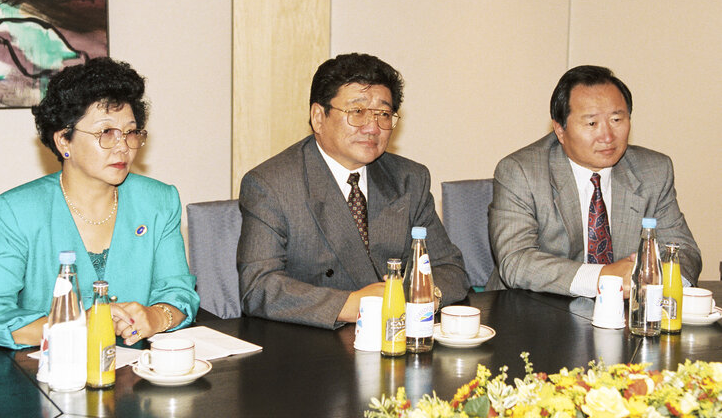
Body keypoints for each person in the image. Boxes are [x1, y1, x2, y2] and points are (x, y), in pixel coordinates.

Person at [0, 57, 199, 349]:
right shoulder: (18, 211)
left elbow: (178, 292)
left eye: (130, 132)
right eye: (106, 133)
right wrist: (74, 325)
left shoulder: (159, 202)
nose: (123, 146)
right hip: (50, 379)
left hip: (137, 376)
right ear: (64, 141)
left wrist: (157, 316)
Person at [237, 53, 469, 329]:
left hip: (397, 336)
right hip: (312, 343)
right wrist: (351, 304)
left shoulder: (409, 179)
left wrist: (426, 294)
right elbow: (259, 287)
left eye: (383, 114)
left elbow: (450, 269)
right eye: (357, 112)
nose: (372, 127)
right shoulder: (272, 184)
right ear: (318, 117)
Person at [486, 65, 701, 298]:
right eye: (591, 124)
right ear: (560, 129)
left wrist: (654, 277)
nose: (608, 136)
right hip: (533, 311)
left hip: (626, 316)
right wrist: (604, 277)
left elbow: (683, 250)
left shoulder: (654, 171)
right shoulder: (521, 172)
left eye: (617, 119)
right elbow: (516, 261)